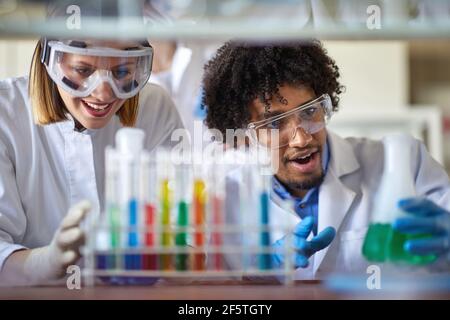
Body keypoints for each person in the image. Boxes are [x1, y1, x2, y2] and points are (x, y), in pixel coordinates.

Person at [201, 40, 450, 280]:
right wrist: (257, 275)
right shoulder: (225, 198)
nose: (301, 139)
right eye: (275, 123)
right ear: (244, 136)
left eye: (310, 111)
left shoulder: (403, 163)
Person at [0, 33, 183, 285]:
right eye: (82, 70)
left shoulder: (154, 107)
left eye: (122, 72)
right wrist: (46, 262)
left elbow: (182, 233)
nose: (103, 93)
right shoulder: (5, 113)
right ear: (49, 59)